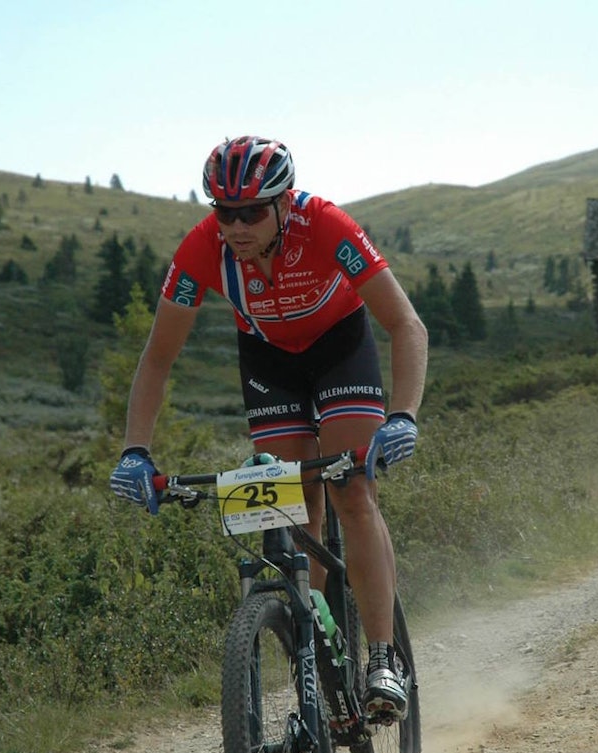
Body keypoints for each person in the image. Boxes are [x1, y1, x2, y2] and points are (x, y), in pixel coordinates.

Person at [109, 135, 429, 718]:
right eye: (224, 211)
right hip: (269, 361)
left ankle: (382, 657)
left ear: (284, 203)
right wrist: (136, 450)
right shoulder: (200, 251)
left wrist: (403, 414)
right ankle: (317, 655)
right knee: (287, 505)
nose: (236, 225)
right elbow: (157, 359)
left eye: (252, 211)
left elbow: (406, 324)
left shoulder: (326, 224)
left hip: (340, 349)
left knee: (350, 490)